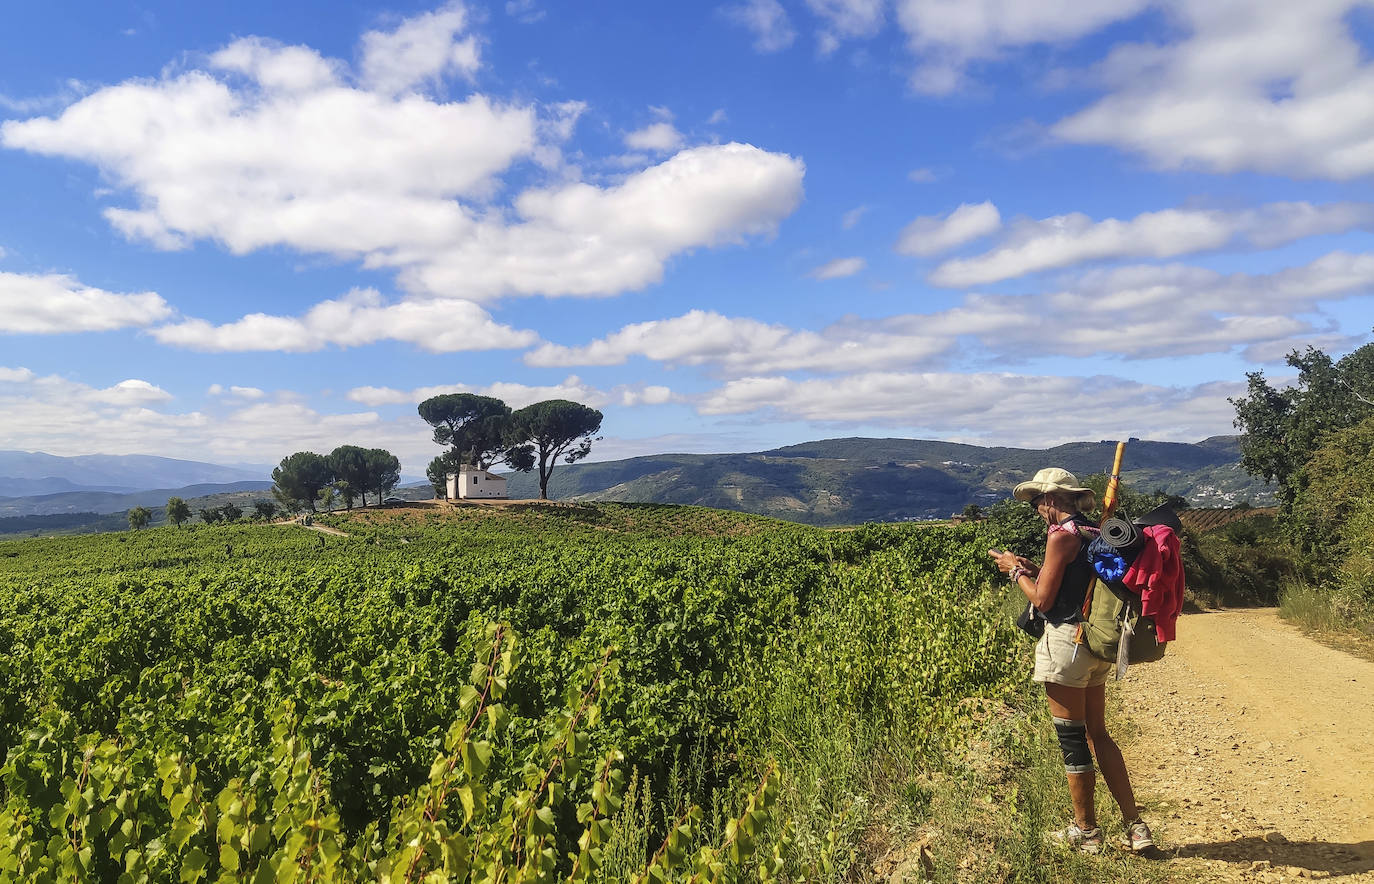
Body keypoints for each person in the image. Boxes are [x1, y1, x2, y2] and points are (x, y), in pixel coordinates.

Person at [988, 467, 1153, 854]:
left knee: (1072, 739)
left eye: (1036, 502)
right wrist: (1035, 569)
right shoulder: (1092, 531)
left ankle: (1087, 832)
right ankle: (1135, 826)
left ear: (1051, 500)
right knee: (1100, 733)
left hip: (1067, 643)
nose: (1035, 509)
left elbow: (1043, 601)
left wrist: (1014, 571)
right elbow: (1071, 581)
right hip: (1095, 646)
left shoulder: (1060, 535)